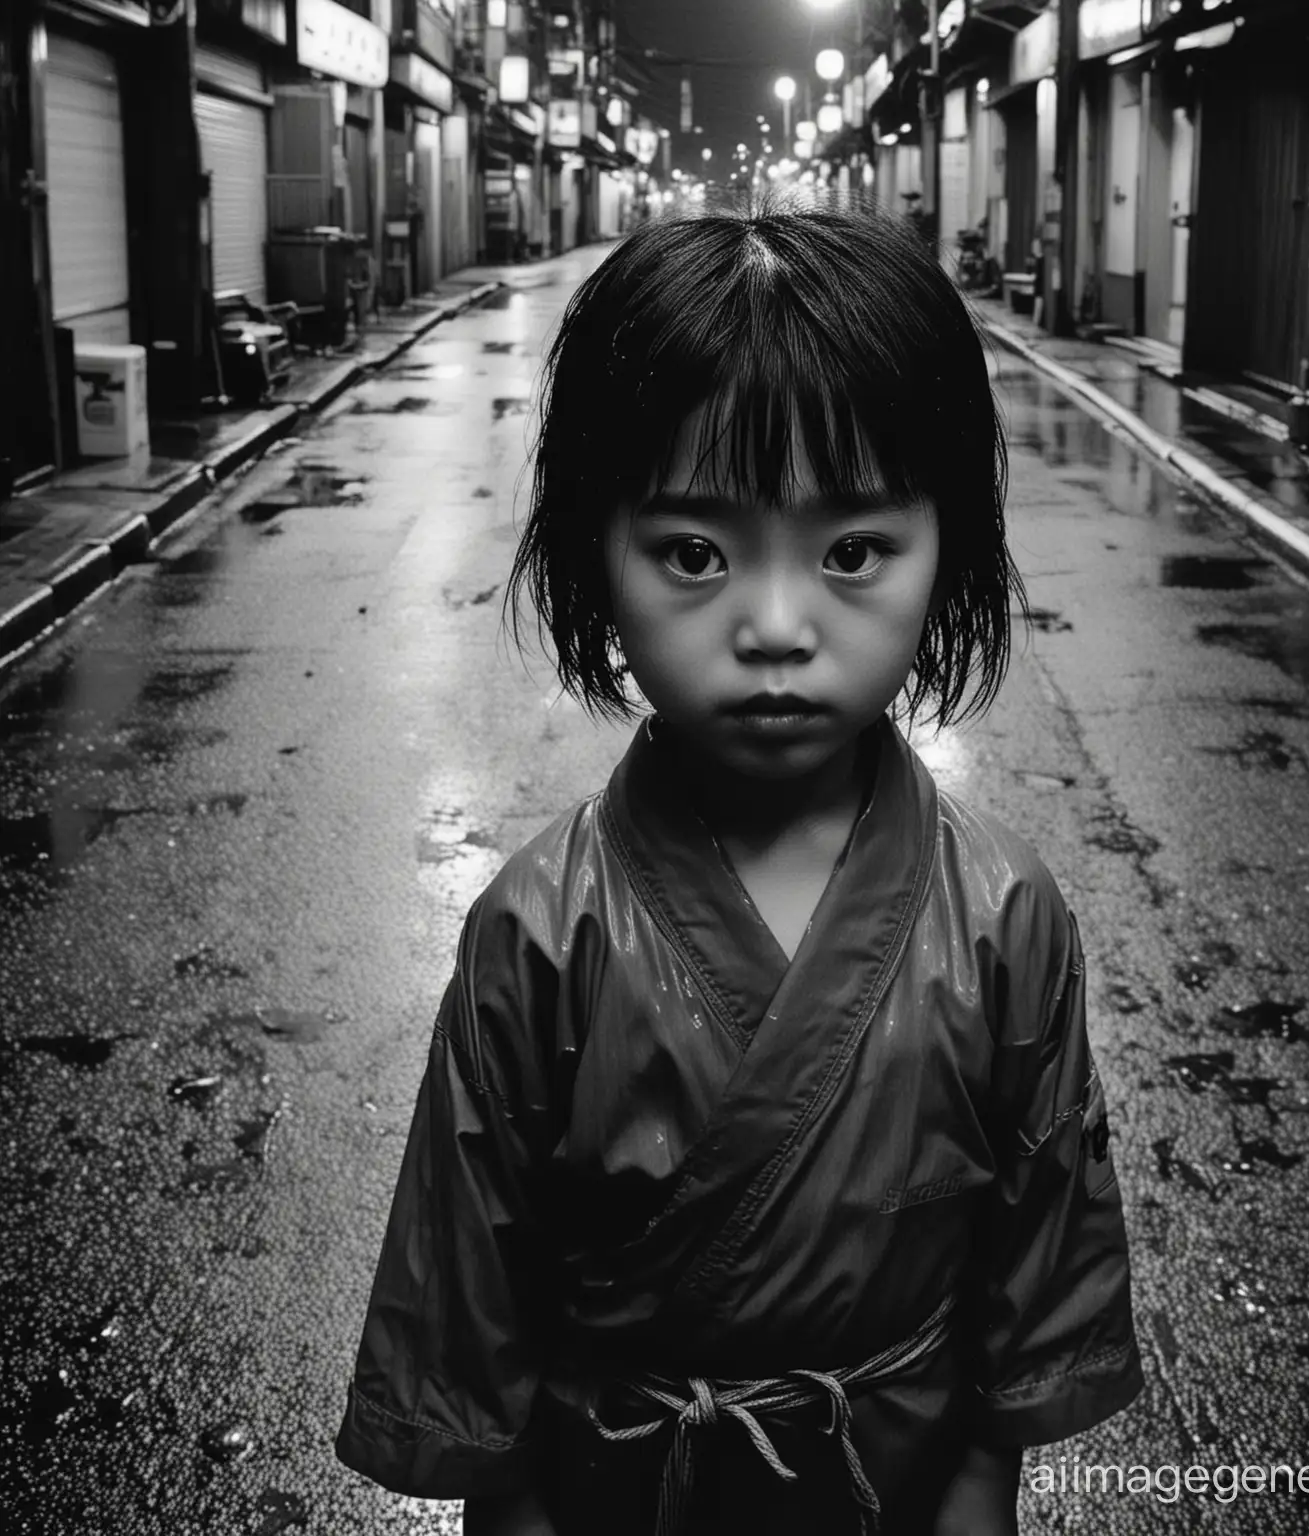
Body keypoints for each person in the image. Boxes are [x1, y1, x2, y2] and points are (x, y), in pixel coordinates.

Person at [334, 197, 1142, 1536]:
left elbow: (1038, 1242)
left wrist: (989, 1481)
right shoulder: (538, 932)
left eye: (853, 552)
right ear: (601, 553)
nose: (776, 625)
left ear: (948, 553)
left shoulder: (1003, 913)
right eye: (696, 554)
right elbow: (471, 1274)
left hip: (902, 1483)